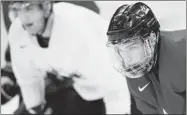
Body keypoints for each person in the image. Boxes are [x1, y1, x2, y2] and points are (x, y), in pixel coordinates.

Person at [8, 1, 131, 114]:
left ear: (45, 7)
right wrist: (37, 109)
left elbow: (115, 86)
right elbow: (28, 78)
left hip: (128, 83)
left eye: (29, 8)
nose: (23, 17)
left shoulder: (77, 30)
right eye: (17, 9)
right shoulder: (18, 31)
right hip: (81, 87)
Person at [106, 2, 186, 114]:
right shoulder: (136, 70)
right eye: (120, 50)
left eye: (132, 47)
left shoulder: (182, 55)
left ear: (152, 40)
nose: (126, 58)